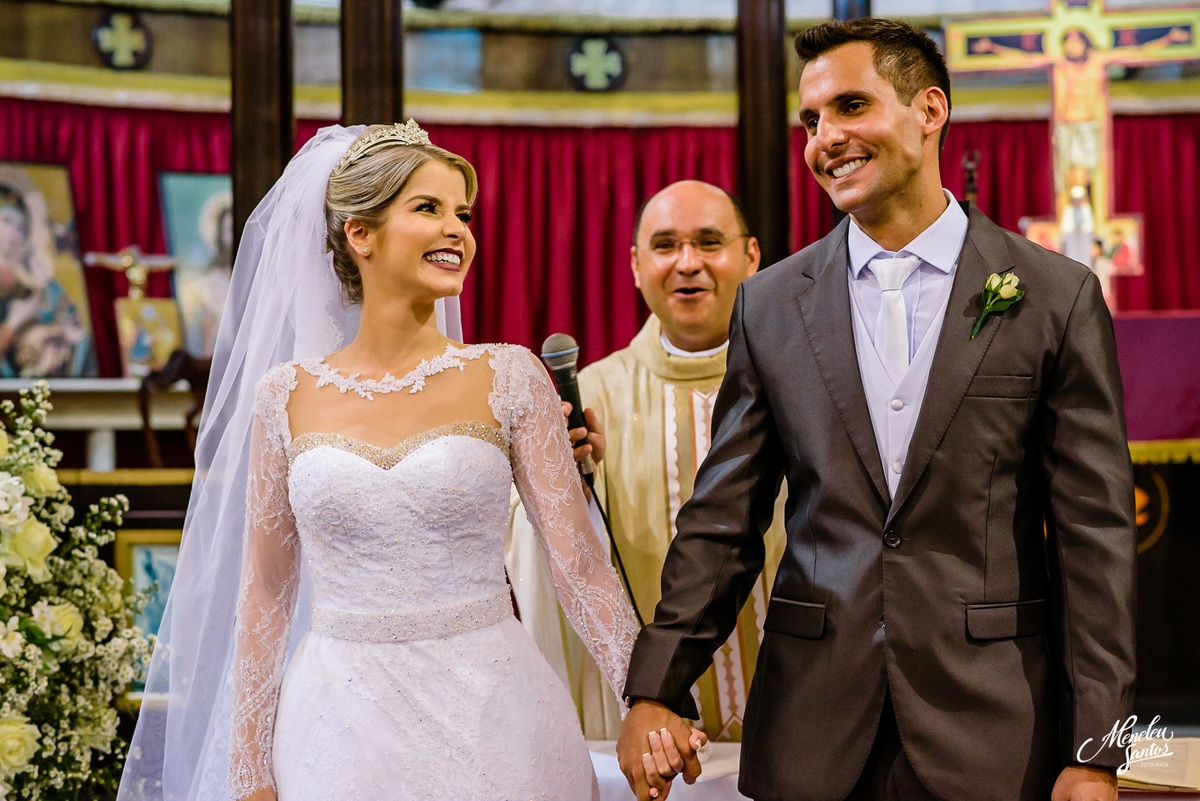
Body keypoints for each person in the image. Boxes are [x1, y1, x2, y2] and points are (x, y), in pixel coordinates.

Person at [617, 19, 1135, 801]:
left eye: (851, 106)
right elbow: (723, 520)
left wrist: (1099, 750)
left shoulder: (1054, 297)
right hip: (813, 731)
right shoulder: (770, 305)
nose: (826, 138)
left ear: (930, 111)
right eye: (812, 120)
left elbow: (1096, 539)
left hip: (996, 730)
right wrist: (654, 686)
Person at [117, 122, 700, 801]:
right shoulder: (284, 397)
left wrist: (648, 698)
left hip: (496, 719)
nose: (457, 229)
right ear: (359, 233)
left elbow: (580, 564)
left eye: (463, 214)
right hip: (334, 728)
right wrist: (247, 771)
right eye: (429, 208)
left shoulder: (509, 376)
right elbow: (266, 595)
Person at [507, 180, 786, 743]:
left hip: (794, 714)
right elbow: (538, 560)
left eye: (709, 241)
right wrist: (571, 493)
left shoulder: (800, 381)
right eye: (665, 246)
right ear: (636, 265)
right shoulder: (591, 396)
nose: (687, 263)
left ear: (751, 256)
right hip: (649, 732)